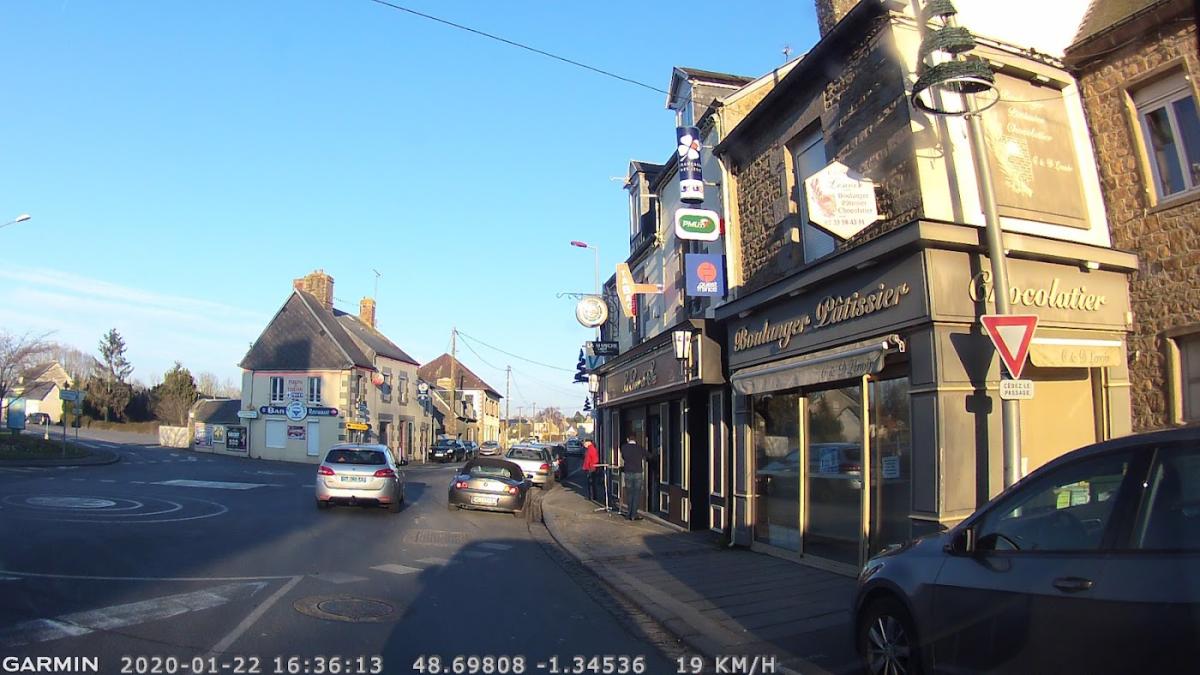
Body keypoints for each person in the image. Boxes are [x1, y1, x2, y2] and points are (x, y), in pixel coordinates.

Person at [619, 433, 652, 521]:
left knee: (629, 493)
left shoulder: (624, 447)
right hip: (638, 472)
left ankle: (628, 513)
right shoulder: (639, 448)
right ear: (635, 439)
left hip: (628, 472)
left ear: (628, 439)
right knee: (636, 494)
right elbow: (649, 456)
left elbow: (623, 457)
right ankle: (634, 514)